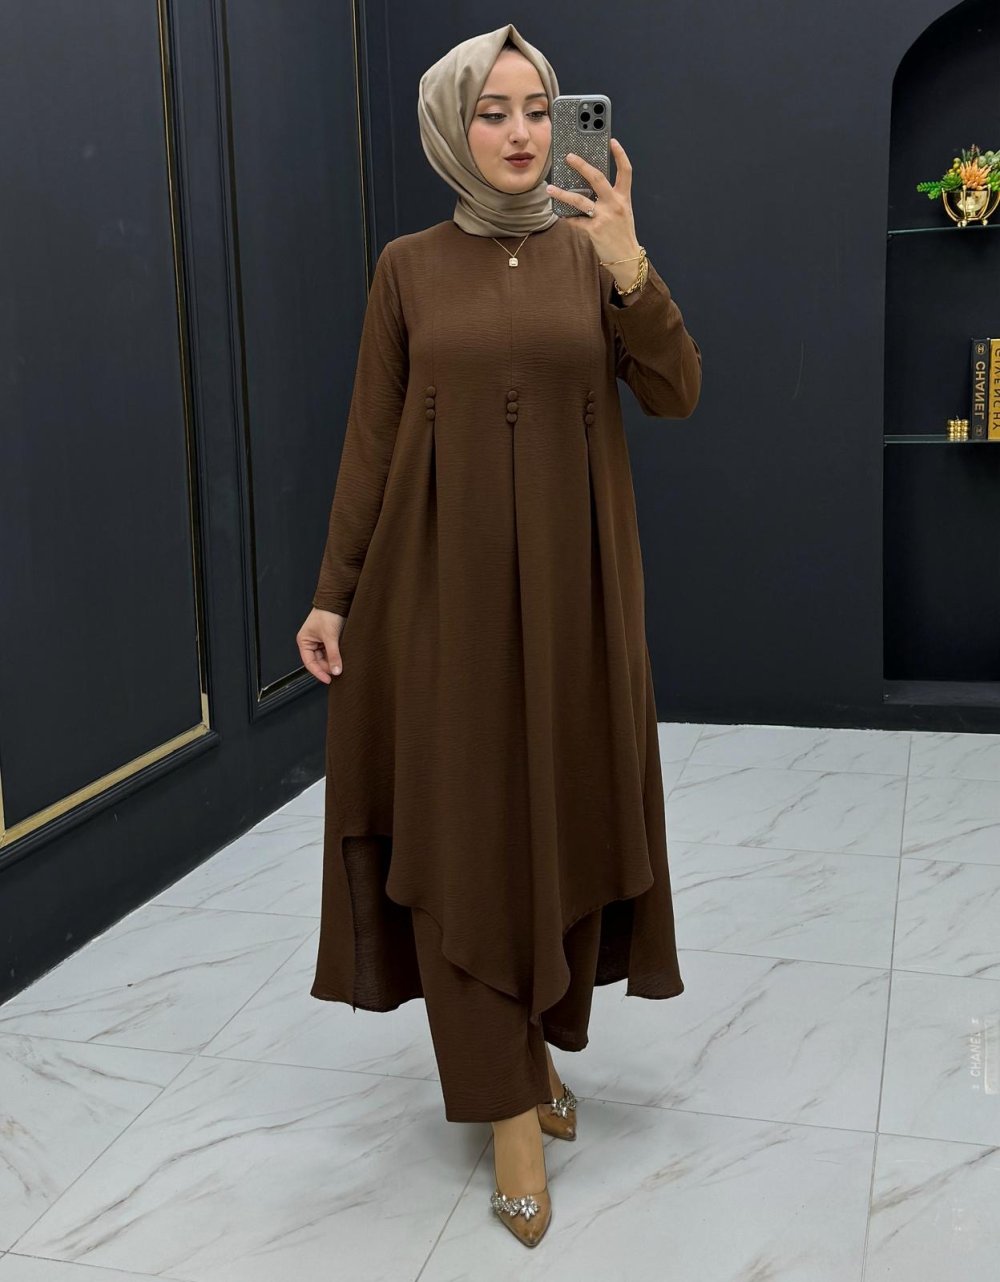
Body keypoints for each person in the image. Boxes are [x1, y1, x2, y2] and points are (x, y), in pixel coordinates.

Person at [295, 22, 702, 1248]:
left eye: (537, 107)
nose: (521, 132)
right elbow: (370, 441)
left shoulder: (593, 257)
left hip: (578, 603)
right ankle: (509, 1109)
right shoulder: (407, 269)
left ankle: (534, 1048)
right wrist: (331, 593)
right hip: (438, 608)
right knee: (467, 837)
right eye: (492, 110)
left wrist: (632, 269)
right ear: (449, 127)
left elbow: (676, 391)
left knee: (560, 821)